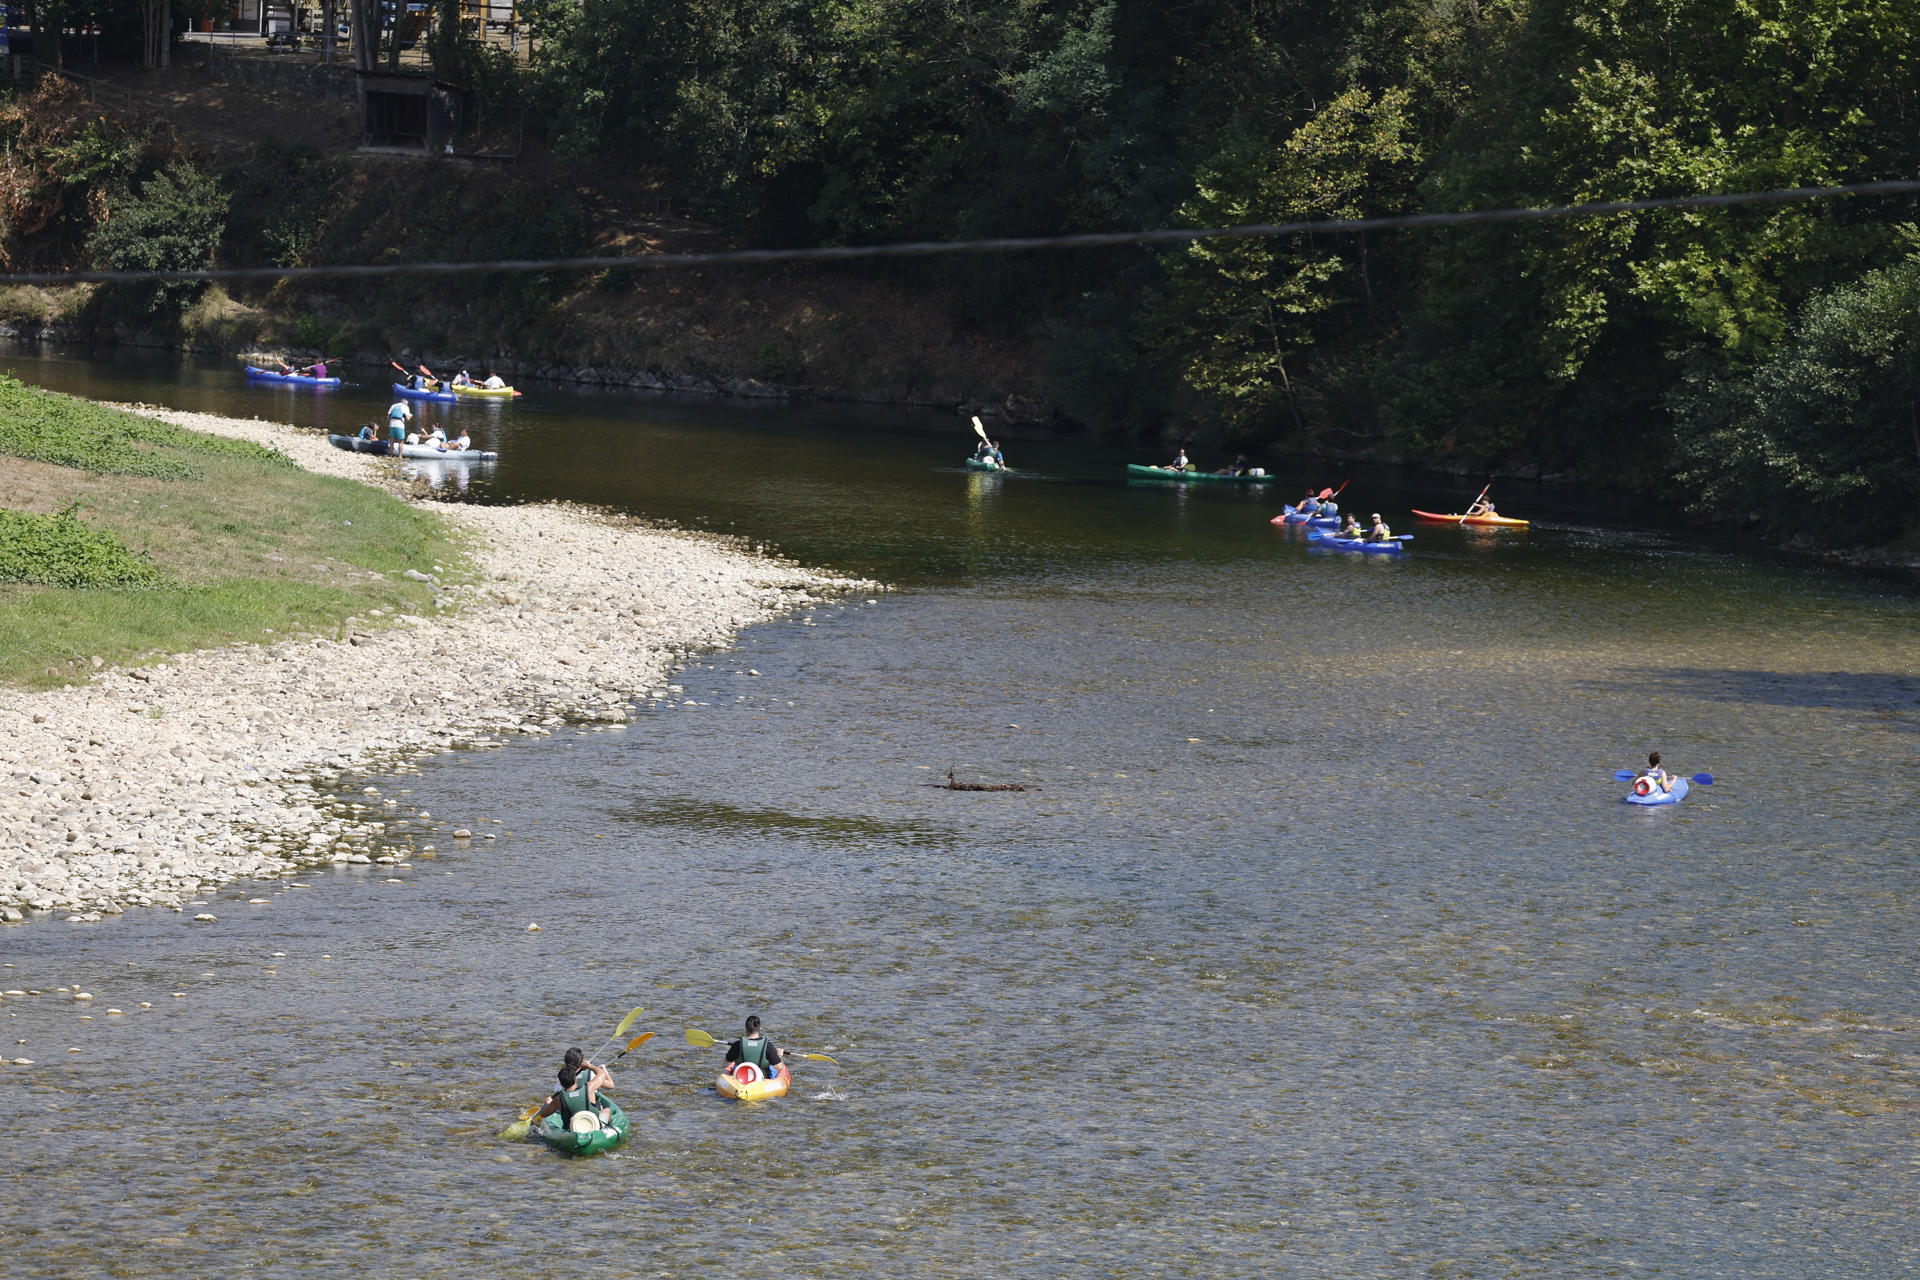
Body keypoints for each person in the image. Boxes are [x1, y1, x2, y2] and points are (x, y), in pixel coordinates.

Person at [533, 1047, 614, 1132]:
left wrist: (547, 1103)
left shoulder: (558, 1099)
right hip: (594, 1125)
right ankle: (605, 1130)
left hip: (572, 1129)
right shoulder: (589, 1088)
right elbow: (602, 1074)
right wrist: (589, 1066)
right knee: (607, 1110)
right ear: (576, 1080)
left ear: (561, 1083)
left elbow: (543, 1114)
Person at [723, 1015, 786, 1083]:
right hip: (761, 1081)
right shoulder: (768, 1046)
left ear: (746, 1028)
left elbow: (727, 1059)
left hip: (740, 1079)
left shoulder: (738, 1044)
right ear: (760, 1028)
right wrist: (779, 1055)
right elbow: (779, 1067)